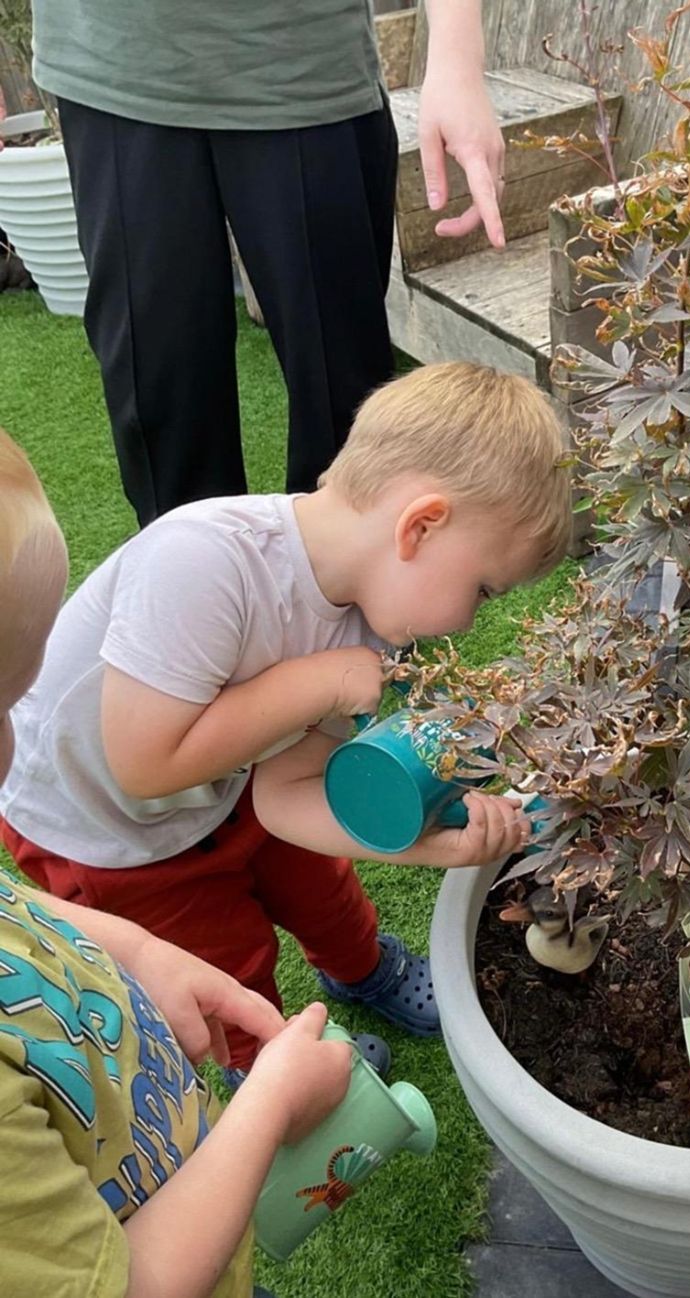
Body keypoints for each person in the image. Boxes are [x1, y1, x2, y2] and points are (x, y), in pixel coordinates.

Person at [0, 361, 571, 1080]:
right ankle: (268, 1064)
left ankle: (362, 969)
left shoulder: (370, 624)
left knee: (321, 886)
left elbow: (283, 796)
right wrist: (319, 683)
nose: (471, 616)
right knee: (221, 955)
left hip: (224, 784)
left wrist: (426, 844)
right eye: (483, 590)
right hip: (106, 831)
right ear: (420, 525)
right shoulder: (206, 559)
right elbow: (142, 764)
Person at [0, 425, 357, 1297]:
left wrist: (139, 954)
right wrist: (269, 1102)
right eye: (2, 702)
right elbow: (135, 1285)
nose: (19, 737)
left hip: (170, 1185)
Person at [30, 0, 507, 527]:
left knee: (348, 428)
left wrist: (457, 61)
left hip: (303, 67)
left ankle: (349, 607)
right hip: (111, 63)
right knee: (165, 426)